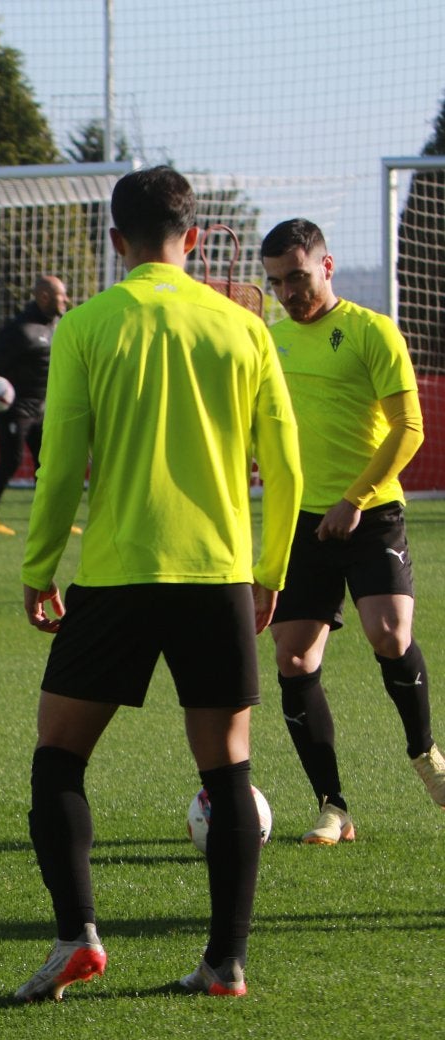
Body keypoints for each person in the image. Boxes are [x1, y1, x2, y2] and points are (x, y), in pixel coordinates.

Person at [15, 166, 301, 1001]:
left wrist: (39, 569)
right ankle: (226, 962)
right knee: (228, 770)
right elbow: (284, 465)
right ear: (196, 237)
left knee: (58, 756)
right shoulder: (246, 328)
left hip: (118, 575)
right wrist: (270, 571)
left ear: (115, 242)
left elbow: (62, 460)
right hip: (216, 575)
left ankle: (78, 937)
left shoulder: (88, 325)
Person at [258, 218, 444, 846]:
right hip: (300, 521)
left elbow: (409, 427)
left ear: (327, 265)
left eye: (299, 277)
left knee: (389, 632)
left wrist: (354, 498)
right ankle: (332, 807)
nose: (289, 291)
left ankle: (426, 755)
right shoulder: (270, 342)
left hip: (370, 513)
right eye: (278, 282)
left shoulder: (371, 331)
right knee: (293, 657)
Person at [0, 275, 69, 535]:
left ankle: (53, 521)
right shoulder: (21, 330)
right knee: (10, 462)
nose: (66, 300)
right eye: (61, 296)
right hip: (15, 410)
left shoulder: (57, 324)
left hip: (42, 409)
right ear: (44, 297)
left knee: (47, 465)